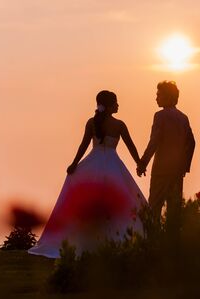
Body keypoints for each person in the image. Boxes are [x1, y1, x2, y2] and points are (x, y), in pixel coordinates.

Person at [29, 90, 146, 258]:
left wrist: (75, 164)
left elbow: (83, 146)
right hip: (113, 164)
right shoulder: (119, 125)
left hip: (94, 162)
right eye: (116, 102)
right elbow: (131, 147)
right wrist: (139, 164)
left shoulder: (92, 122)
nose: (118, 105)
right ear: (109, 105)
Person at [137, 81, 195, 233]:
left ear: (167, 96)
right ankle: (171, 245)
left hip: (161, 170)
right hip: (177, 172)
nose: (156, 98)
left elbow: (154, 141)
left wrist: (143, 162)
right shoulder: (183, 117)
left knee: (154, 209)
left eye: (159, 94)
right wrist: (184, 166)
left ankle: (152, 242)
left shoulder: (160, 116)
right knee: (174, 212)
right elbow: (192, 142)